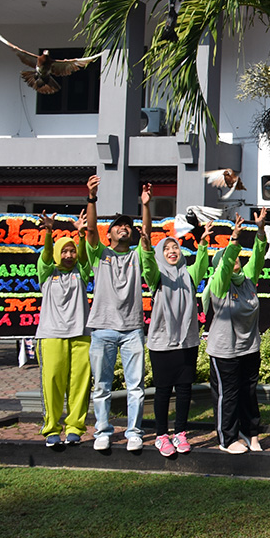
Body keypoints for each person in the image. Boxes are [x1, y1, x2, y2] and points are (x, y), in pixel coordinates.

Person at [138, 184, 211, 457]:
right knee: (162, 391)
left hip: (187, 342)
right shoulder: (157, 276)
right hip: (161, 344)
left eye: (175, 247)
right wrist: (147, 242)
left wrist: (203, 242)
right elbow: (146, 263)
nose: (172, 251)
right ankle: (161, 435)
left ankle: (180, 432)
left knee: (183, 390)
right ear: (160, 254)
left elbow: (202, 266)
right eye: (167, 248)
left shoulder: (189, 274)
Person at [83, 175, 147, 452]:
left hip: (132, 329)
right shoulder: (99, 255)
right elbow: (90, 230)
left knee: (136, 387)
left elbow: (146, 234)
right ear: (109, 234)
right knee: (102, 386)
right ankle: (103, 431)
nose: (124, 228)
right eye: (118, 226)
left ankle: (134, 432)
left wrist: (146, 205)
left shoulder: (137, 256)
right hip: (102, 328)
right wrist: (92, 198)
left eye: (127, 226)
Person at [203, 209, 269, 454]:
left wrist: (260, 230)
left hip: (249, 348)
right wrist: (233, 241)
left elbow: (258, 257)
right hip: (225, 351)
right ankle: (227, 438)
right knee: (228, 395)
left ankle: (250, 433)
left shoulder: (248, 279)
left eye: (236, 258)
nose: (234, 261)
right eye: (229, 259)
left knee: (248, 394)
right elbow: (225, 265)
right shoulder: (219, 285)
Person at [33, 210, 92, 447]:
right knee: (53, 382)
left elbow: (87, 257)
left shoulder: (81, 272)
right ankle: (52, 429)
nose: (69, 255)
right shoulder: (47, 273)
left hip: (81, 335)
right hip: (51, 336)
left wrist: (81, 235)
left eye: (72, 251)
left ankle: (76, 428)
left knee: (80, 385)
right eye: (64, 251)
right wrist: (48, 232)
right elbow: (46, 255)